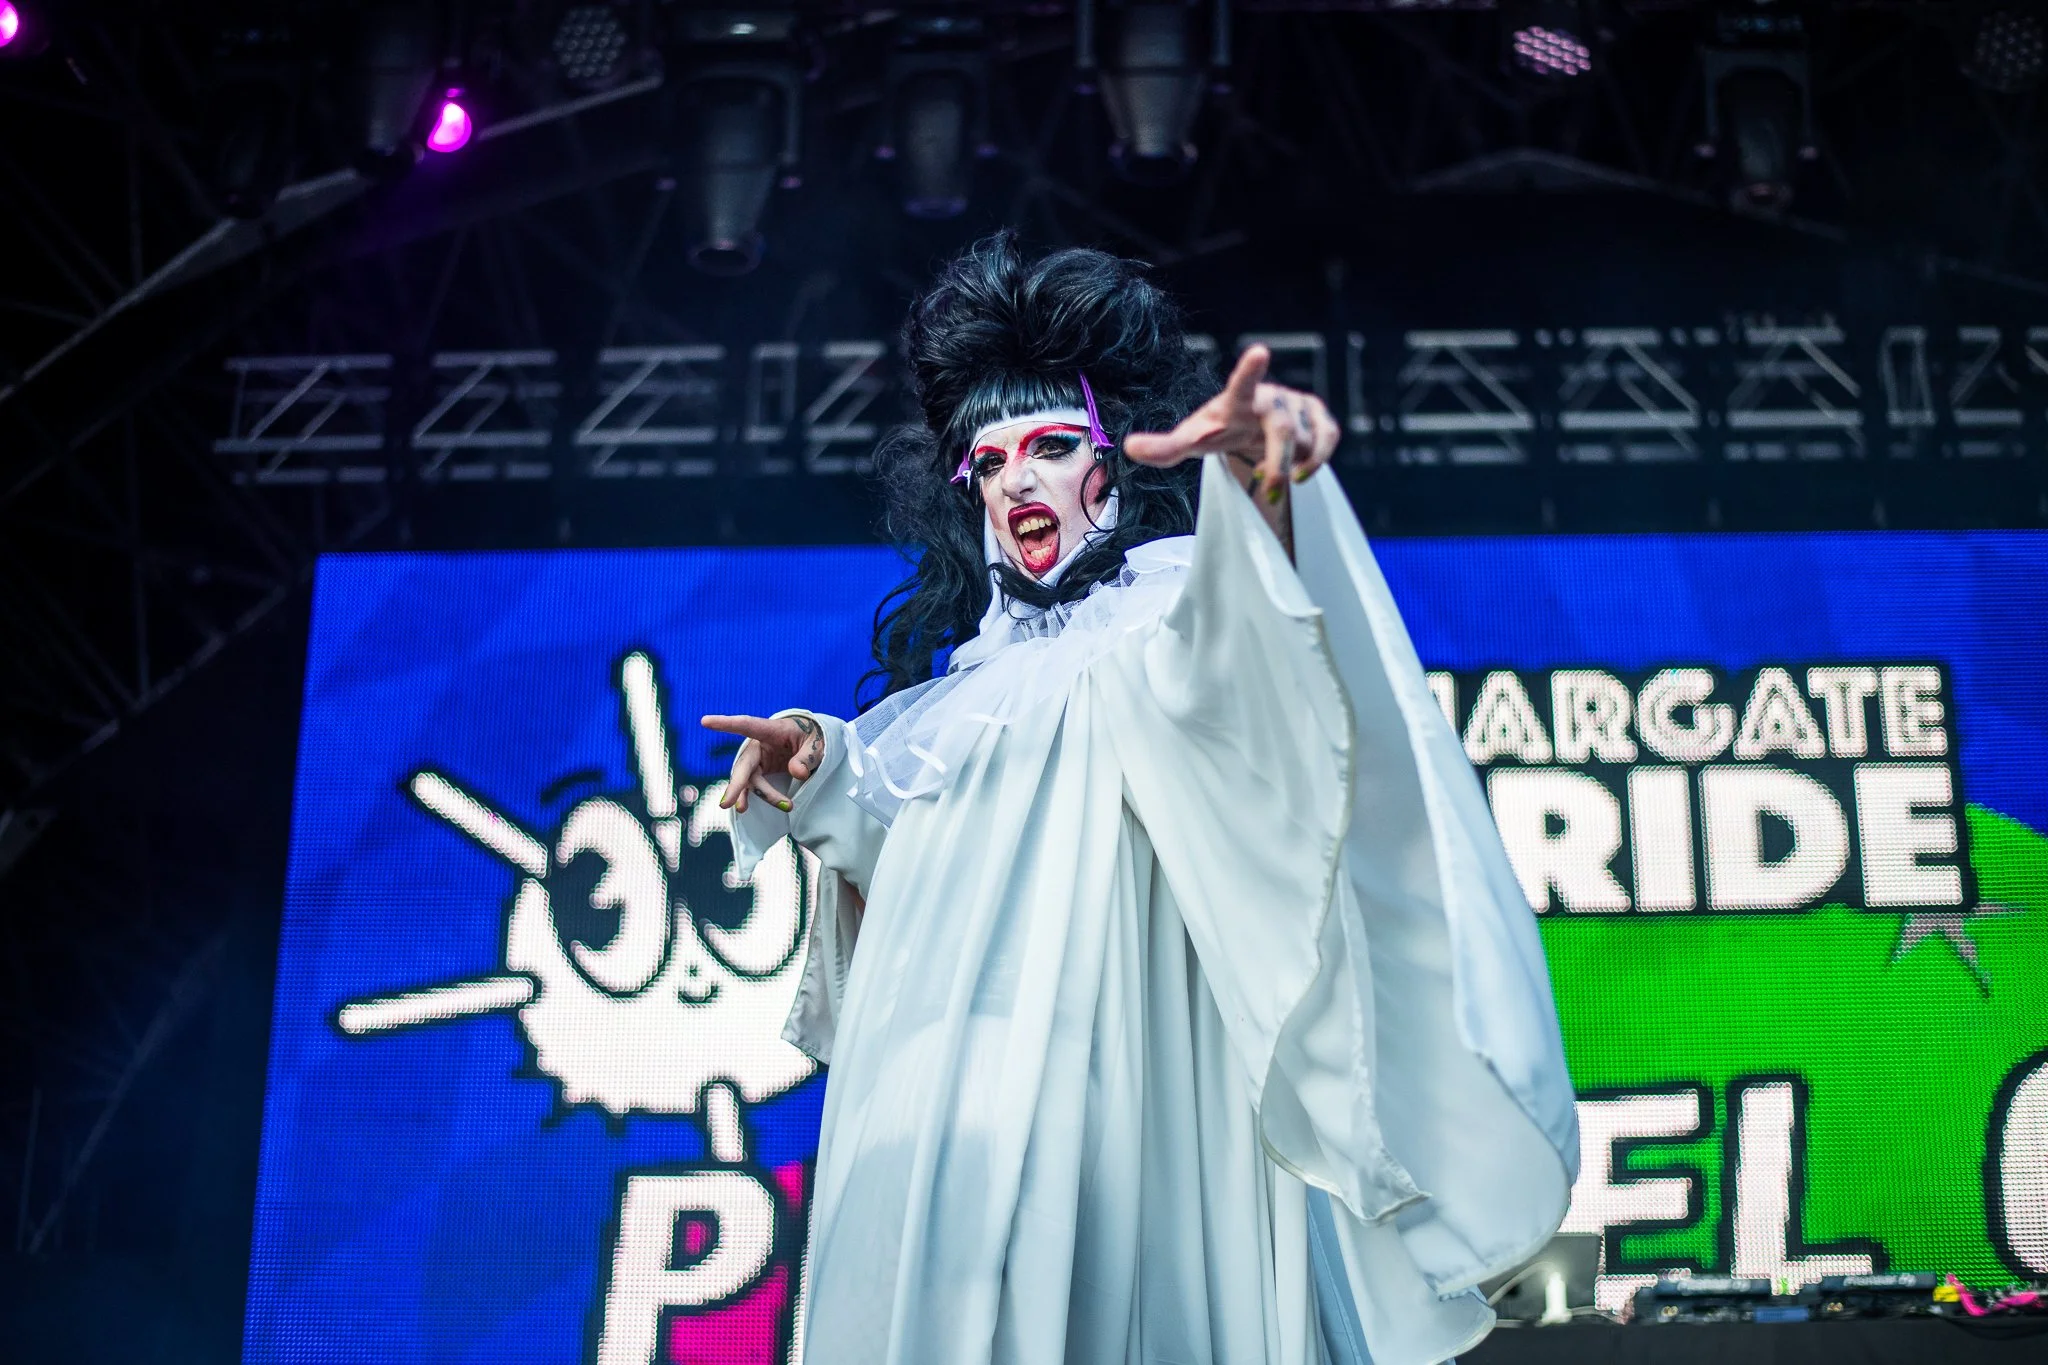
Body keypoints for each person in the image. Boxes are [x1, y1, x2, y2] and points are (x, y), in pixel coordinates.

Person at [702, 233, 1578, 1365]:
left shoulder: (1164, 619)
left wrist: (1268, 486)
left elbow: (1263, 660)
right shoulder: (960, 701)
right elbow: (902, 851)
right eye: (990, 460)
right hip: (975, 1099)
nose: (1018, 479)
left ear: (1108, 463)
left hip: (1143, 1085)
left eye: (1051, 446)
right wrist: (821, 765)